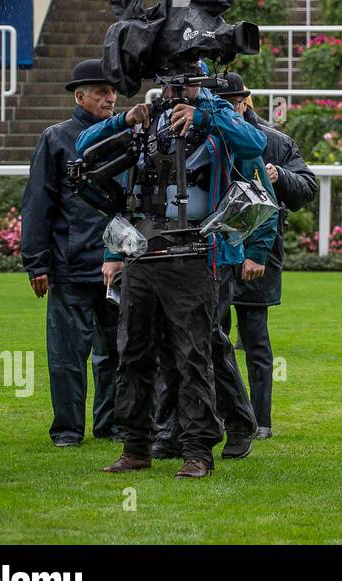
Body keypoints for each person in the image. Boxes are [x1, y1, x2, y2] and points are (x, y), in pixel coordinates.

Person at [77, 75, 272, 478]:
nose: (174, 91)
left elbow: (254, 144)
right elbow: (83, 146)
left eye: (182, 84)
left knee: (193, 355)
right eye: (168, 84)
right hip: (143, 254)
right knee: (133, 353)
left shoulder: (216, 127)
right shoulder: (147, 124)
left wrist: (204, 108)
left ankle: (198, 450)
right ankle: (136, 447)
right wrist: (124, 120)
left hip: (195, 256)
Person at [21, 59, 123, 447]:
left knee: (116, 352)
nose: (109, 96)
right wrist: (36, 262)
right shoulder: (56, 138)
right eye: (100, 91)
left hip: (117, 265)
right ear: (79, 97)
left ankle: (110, 425)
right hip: (69, 266)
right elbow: (37, 204)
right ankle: (67, 430)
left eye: (112, 90)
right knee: (67, 355)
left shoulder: (123, 135)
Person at [215, 73, 317, 439]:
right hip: (216, 252)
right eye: (221, 102)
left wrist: (282, 176)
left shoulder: (275, 141)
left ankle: (261, 421)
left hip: (259, 255)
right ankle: (221, 418)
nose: (228, 108)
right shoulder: (206, 136)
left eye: (232, 101)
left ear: (245, 101)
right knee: (215, 338)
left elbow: (307, 188)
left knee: (255, 340)